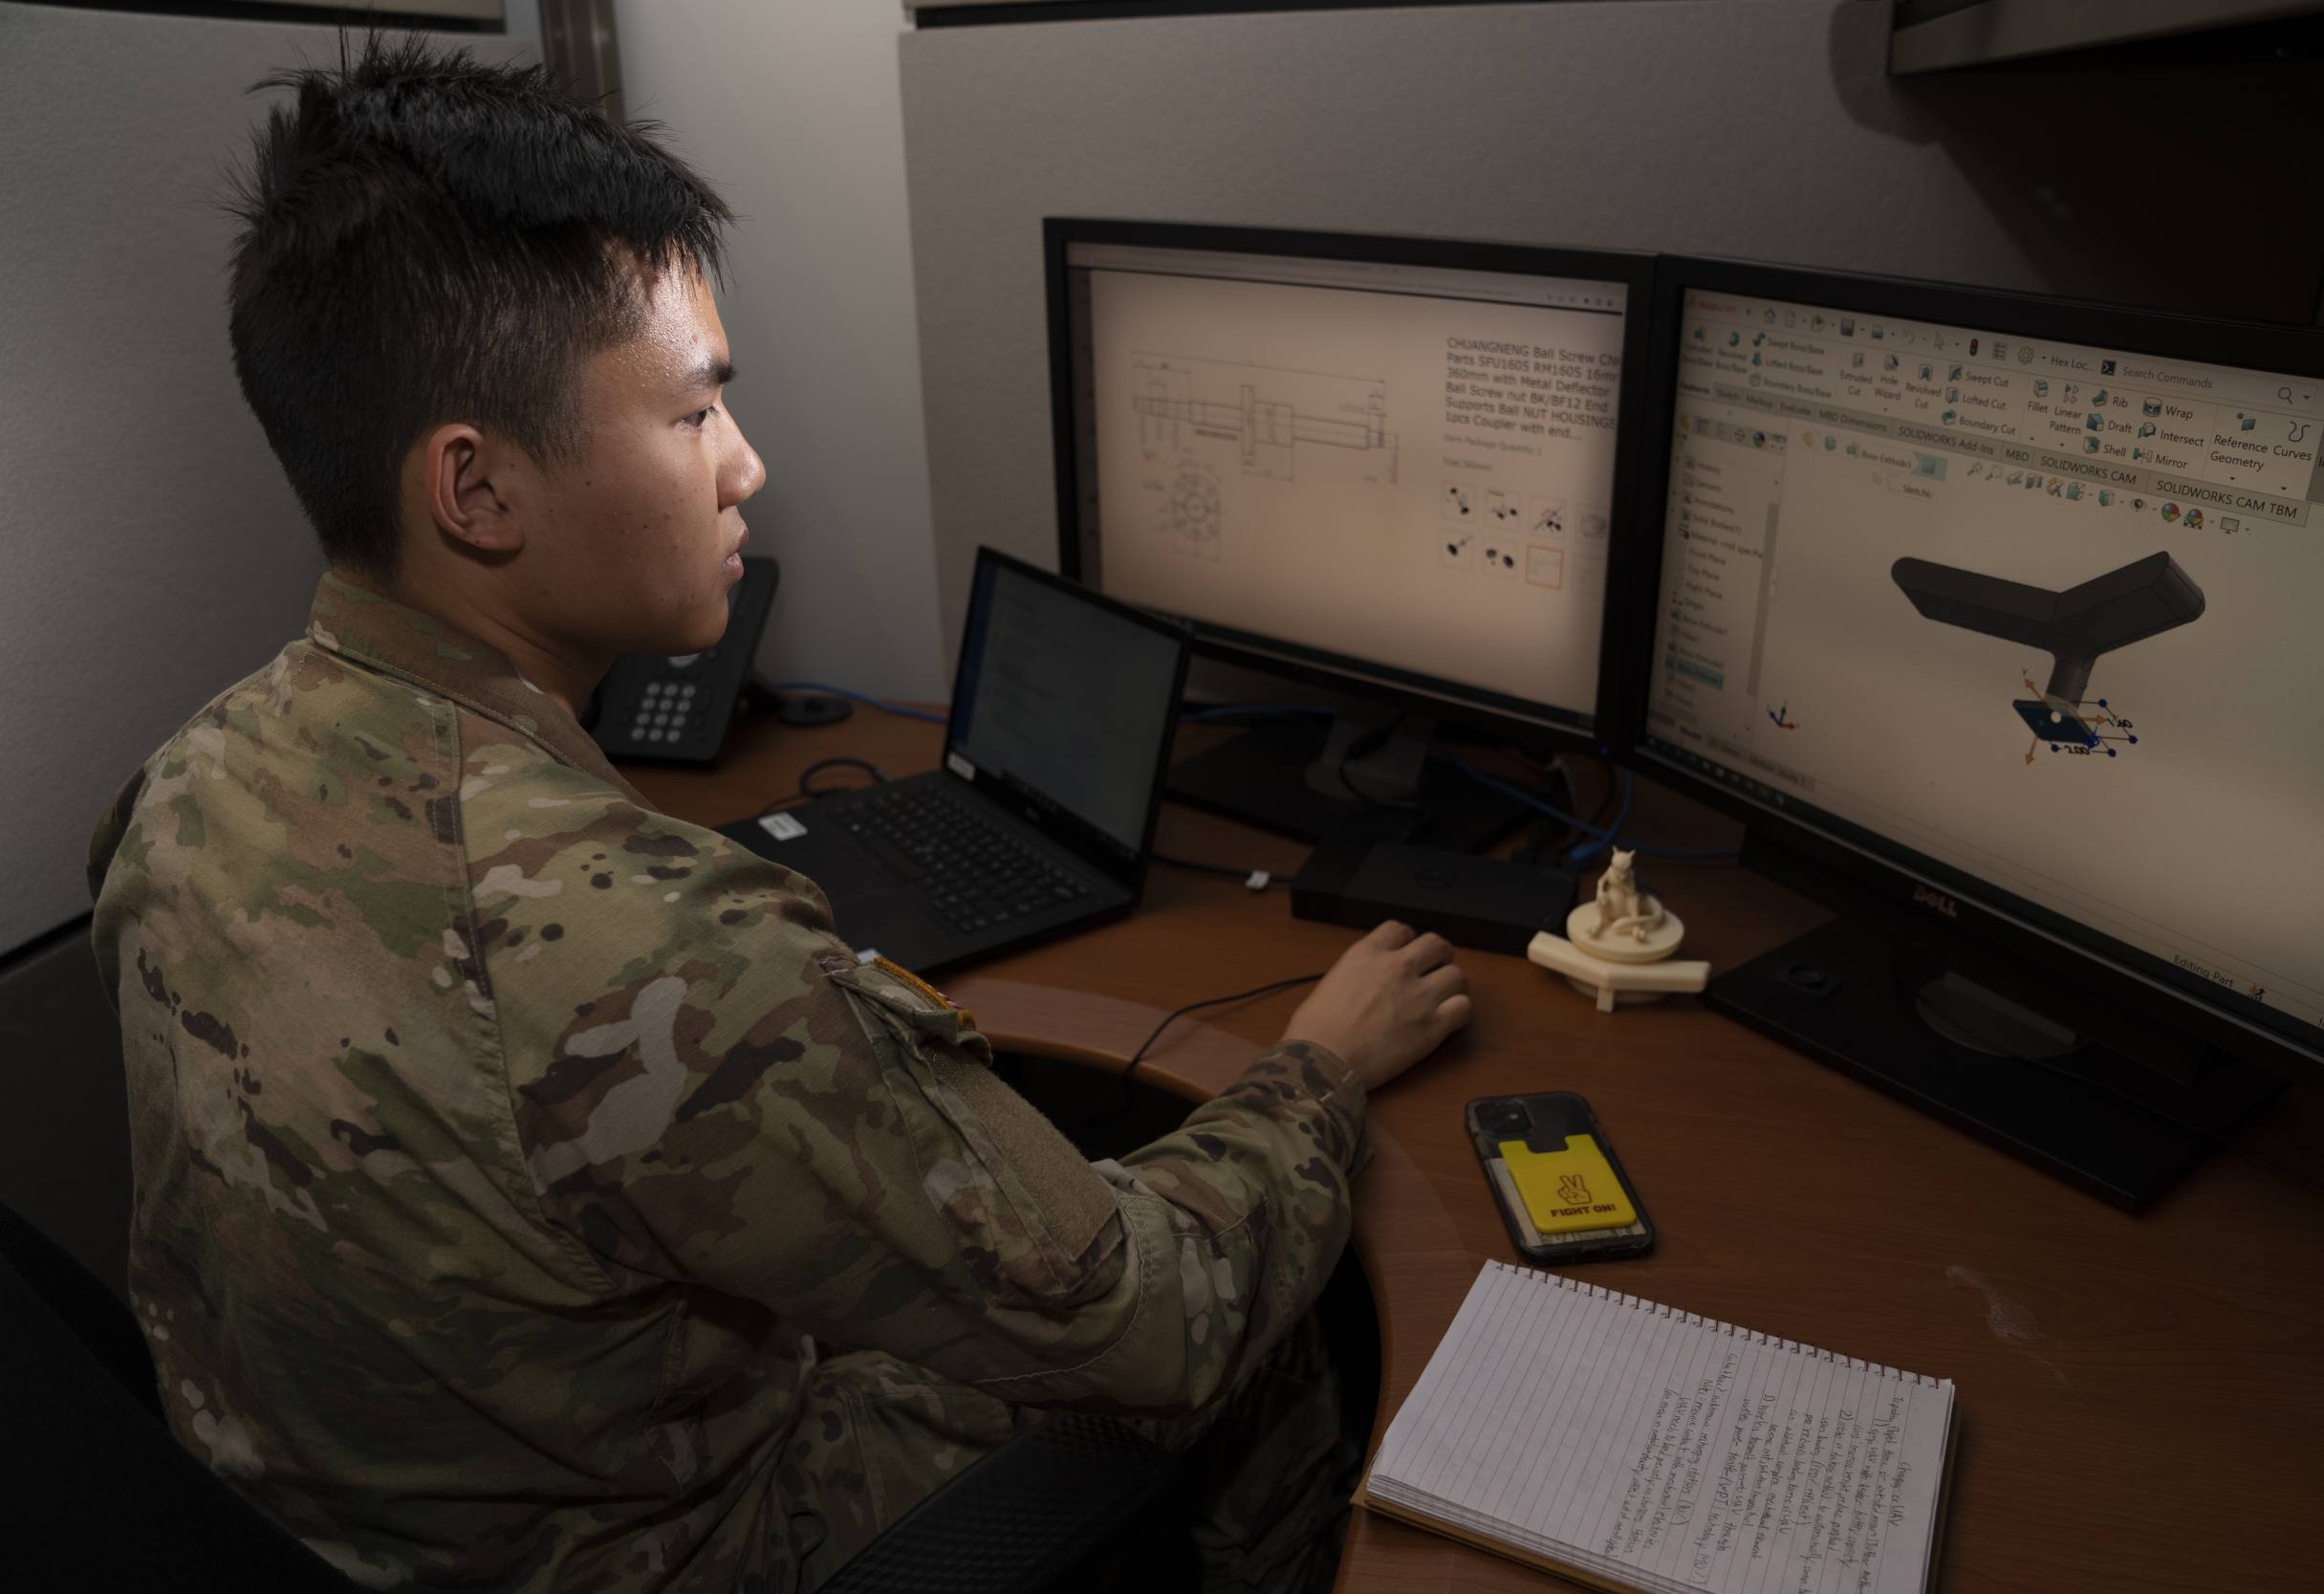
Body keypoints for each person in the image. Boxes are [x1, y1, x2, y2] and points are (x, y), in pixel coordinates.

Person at [85, 36, 1472, 1594]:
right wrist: (1317, 1072)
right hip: (668, 1552)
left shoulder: (181, 789)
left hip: (336, 1530)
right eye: (691, 417)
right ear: (475, 494)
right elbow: (1145, 1315)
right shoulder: (670, 959)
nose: (748, 464)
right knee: (1263, 1339)